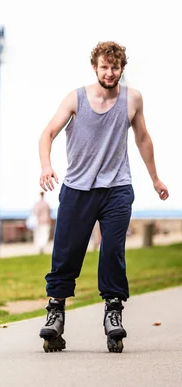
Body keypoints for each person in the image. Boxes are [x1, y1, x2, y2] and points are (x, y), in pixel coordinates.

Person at [37, 41, 169, 353]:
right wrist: (46, 165)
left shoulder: (132, 98)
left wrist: (155, 177)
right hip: (78, 189)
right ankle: (56, 313)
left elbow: (142, 137)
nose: (109, 73)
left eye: (115, 67)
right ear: (95, 67)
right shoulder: (76, 98)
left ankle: (113, 311)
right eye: (104, 67)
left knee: (112, 250)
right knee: (66, 253)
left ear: (122, 69)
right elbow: (47, 133)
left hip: (117, 188)